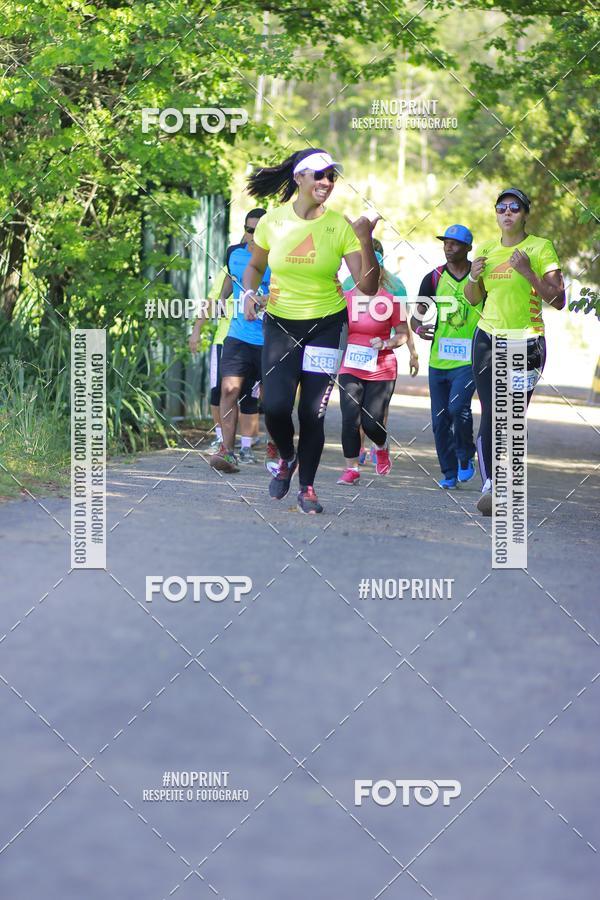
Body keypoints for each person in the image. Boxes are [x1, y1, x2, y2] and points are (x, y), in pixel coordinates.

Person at [242, 148, 380, 514]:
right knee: (275, 406)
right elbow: (255, 267)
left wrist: (365, 239)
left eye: (332, 176)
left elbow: (367, 287)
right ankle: (287, 457)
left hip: (326, 326)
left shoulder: (339, 226)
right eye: (319, 174)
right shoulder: (272, 222)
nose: (327, 182)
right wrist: (249, 293)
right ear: (299, 177)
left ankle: (307, 488)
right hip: (281, 324)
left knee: (312, 413)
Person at [464, 188, 565, 515]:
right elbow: (473, 298)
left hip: (527, 342)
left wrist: (528, 272)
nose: (507, 213)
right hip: (487, 338)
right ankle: (490, 486)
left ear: (525, 214)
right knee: (491, 412)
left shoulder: (540, 248)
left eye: (514, 208)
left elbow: (558, 299)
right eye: (501, 208)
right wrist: (473, 277)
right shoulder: (486, 249)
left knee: (512, 417)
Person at [410, 224, 482, 489]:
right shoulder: (434, 277)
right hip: (438, 360)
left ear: (468, 248)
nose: (448, 247)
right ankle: (449, 473)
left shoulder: (479, 277)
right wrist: (418, 328)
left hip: (469, 359)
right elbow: (416, 316)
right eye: (445, 243)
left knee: (457, 408)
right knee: (440, 419)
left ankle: (466, 455)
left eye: (454, 243)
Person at [342, 239, 418, 466]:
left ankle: (378, 443)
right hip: (352, 361)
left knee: (374, 414)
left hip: (382, 357)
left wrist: (412, 352)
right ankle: (356, 455)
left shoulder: (396, 287)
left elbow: (404, 324)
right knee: (352, 414)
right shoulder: (348, 285)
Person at [208, 209, 272, 471]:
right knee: (228, 390)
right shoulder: (234, 253)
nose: (253, 235)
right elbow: (230, 278)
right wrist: (222, 298)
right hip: (238, 335)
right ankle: (228, 451)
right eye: (249, 229)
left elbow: (290, 291)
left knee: (273, 401)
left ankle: (277, 448)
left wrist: (264, 300)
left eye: (259, 230)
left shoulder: (279, 258)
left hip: (271, 339)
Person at [189, 265, 261, 455]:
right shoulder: (230, 267)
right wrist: (196, 330)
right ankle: (221, 440)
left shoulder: (268, 265)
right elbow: (211, 301)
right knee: (218, 392)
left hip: (256, 340)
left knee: (250, 395)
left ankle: (246, 446)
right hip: (224, 340)